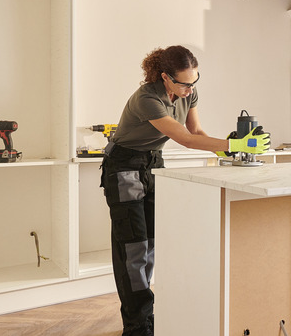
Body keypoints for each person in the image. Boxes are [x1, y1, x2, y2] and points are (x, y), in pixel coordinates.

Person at [100, 45, 270, 336]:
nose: (190, 89)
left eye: (195, 81)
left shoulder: (188, 93)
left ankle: (147, 314)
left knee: (152, 243)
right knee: (133, 246)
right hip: (123, 166)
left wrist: (230, 154)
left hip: (153, 163)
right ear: (165, 77)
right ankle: (137, 325)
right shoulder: (146, 98)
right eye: (184, 83)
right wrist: (236, 145)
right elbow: (185, 140)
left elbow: (198, 133)